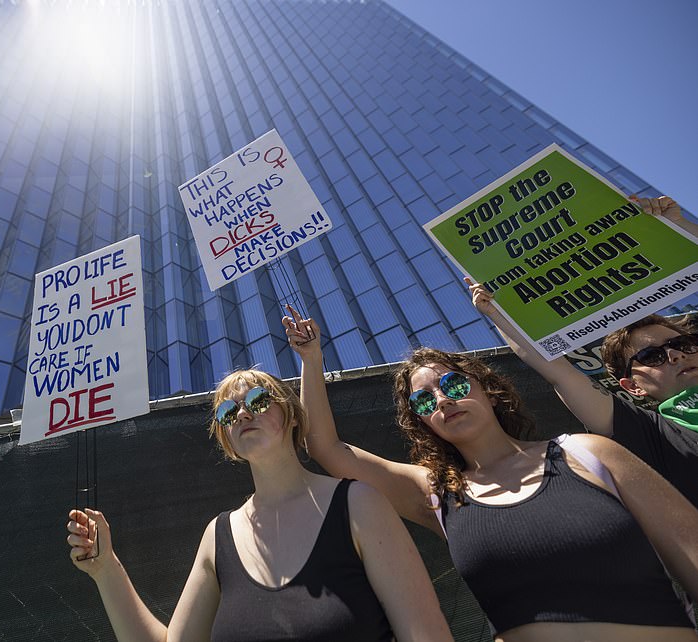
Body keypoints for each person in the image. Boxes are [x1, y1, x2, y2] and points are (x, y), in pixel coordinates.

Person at [284, 305, 698, 642]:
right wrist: (311, 359)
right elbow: (326, 448)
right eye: (424, 402)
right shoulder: (438, 492)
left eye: (455, 385)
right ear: (421, 422)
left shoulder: (588, 454)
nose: (443, 400)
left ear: (488, 389)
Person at [66, 368, 453, 642]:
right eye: (228, 412)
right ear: (227, 439)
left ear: (290, 415)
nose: (244, 413)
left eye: (257, 399)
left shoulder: (359, 504)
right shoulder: (217, 537)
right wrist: (107, 570)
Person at [462, 195, 698, 507]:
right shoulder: (652, 434)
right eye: (652, 357)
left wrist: (677, 227)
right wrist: (497, 314)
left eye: (681, 345)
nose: (676, 356)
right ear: (632, 387)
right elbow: (561, 375)